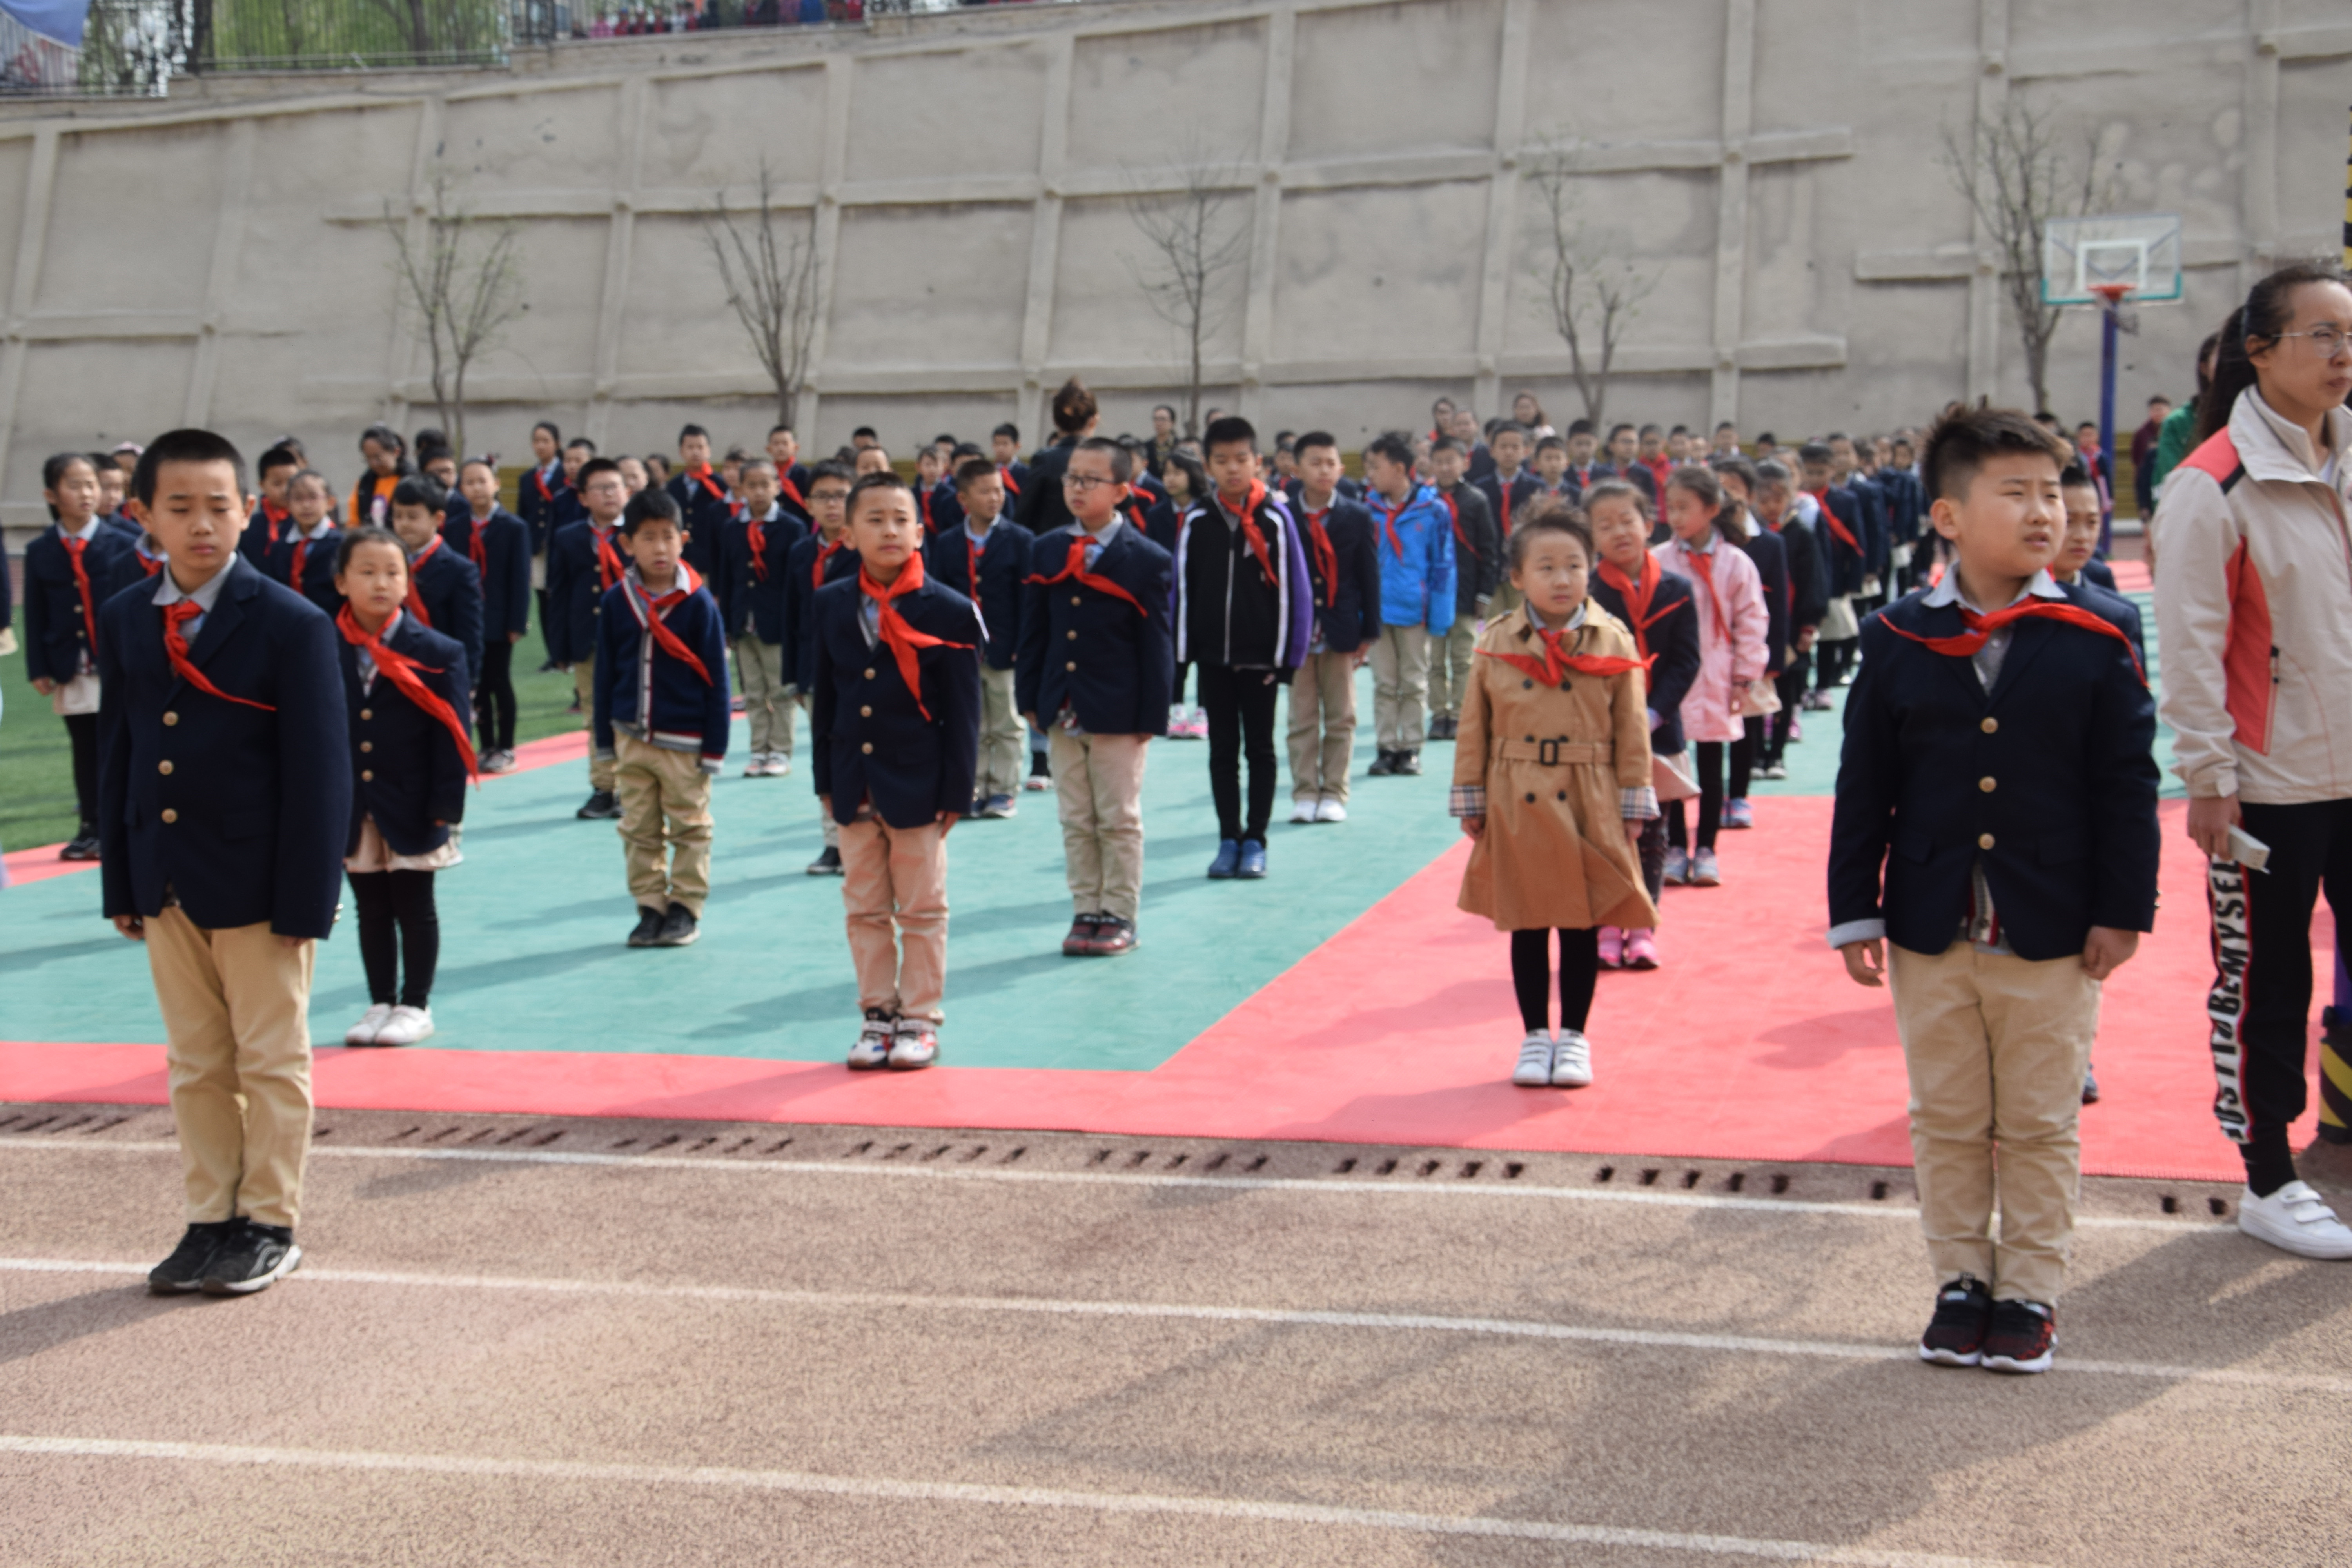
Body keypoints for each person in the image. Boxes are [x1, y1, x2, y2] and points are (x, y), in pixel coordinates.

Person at [1831, 405, 2158, 1374]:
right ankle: (1961, 1279)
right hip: (1931, 924)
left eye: (2051, 491)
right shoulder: (1896, 638)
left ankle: (2029, 1291)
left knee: (2039, 1120)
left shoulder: (2100, 631)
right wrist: (1856, 905)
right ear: (1947, 515)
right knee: (1946, 1114)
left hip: (2053, 924)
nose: (2042, 511)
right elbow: (1865, 785)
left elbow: (2125, 782)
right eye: (2012, 492)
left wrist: (2122, 909)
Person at [98, 428, 351, 1298]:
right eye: (180, 508)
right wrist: (121, 878)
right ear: (144, 517)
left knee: (271, 1057)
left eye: (219, 505)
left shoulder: (292, 621)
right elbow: (123, 749)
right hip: (166, 876)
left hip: (258, 883)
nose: (202, 524)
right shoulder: (131, 614)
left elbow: (322, 775)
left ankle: (270, 1220)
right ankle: (211, 1217)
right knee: (196, 1060)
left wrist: (308, 902)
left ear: (251, 510)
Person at [2154, 262, 2352, 1258]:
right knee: (2263, 980)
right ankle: (2270, 1176)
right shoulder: (2211, 483)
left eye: (2349, 334)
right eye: (2319, 333)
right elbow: (2189, 646)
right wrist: (2209, 778)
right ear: (2260, 351)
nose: (2341, 353)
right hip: (2269, 784)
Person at [1454, 501, 1658, 1090]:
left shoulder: (1613, 639)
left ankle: (1574, 1037)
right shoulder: (1496, 642)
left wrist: (1635, 800)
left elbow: (1632, 730)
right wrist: (1471, 797)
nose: (1562, 578)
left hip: (1589, 793)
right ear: (1517, 577)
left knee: (1580, 924)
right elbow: (1475, 726)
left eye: (1574, 564)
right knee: (1526, 922)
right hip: (1516, 793)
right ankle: (1533, 1036)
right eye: (1546, 567)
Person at [810, 471, 983, 1070]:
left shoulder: (950, 609)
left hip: (920, 783)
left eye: (901, 519)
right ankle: (877, 1014)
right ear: (849, 532)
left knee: (922, 907)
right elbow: (826, 701)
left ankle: (919, 1016)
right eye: (874, 519)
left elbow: (965, 713)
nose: (889, 530)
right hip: (853, 783)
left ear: (918, 531)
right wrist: (825, 784)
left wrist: (958, 790)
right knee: (863, 906)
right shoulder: (830, 602)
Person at [1016, 435, 1174, 957]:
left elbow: (1157, 644)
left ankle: (1120, 912)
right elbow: (1034, 632)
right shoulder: (1046, 549)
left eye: (1091, 479)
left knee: (1118, 817)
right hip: (1062, 706)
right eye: (1071, 478)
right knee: (1076, 816)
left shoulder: (1146, 559)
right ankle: (1086, 908)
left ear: (1123, 491)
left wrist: (1152, 715)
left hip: (1120, 710)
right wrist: (1031, 700)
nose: (1077, 488)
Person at [331, 526, 474, 1049]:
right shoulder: (324, 646)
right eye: (366, 572)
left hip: (415, 802)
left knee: (415, 904)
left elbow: (453, 734)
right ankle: (380, 1001)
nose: (380, 583)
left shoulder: (438, 650)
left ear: (408, 580)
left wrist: (444, 807)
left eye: (392, 572)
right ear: (342, 581)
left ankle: (416, 1003)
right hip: (354, 805)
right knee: (370, 907)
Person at [593, 486, 730, 949]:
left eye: (667, 537)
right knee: (638, 826)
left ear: (683, 539)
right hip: (632, 735)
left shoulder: (698, 603)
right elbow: (605, 673)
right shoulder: (617, 601)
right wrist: (604, 742)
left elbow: (717, 679)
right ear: (627, 543)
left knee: (691, 826)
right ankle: (649, 905)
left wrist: (715, 748)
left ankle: (685, 906)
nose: (659, 547)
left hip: (686, 741)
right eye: (647, 538)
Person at [1176, 416, 1312, 880]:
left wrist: (1287, 662)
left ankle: (1256, 839)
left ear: (1258, 462)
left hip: (1262, 661)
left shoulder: (1276, 519)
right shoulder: (1197, 522)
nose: (1232, 469)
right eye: (1222, 461)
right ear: (1208, 464)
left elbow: (1296, 594)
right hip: (1215, 660)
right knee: (1221, 752)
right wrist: (1183, 660)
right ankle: (1227, 838)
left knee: (1260, 750)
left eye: (1241, 460)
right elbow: (1183, 593)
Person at [1584, 479, 1699, 973]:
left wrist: (1652, 713)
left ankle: (1644, 925)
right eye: (1604, 525)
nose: (1618, 531)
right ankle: (1609, 924)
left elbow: (1686, 661)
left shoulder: (1677, 590)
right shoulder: (1587, 592)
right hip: (1602, 734)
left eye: (1626, 520)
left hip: (1660, 729)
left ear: (1650, 525)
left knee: (1654, 830)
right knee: (1607, 830)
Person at [1654, 466, 1768, 888]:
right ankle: (1676, 846)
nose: (1676, 516)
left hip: (1718, 673)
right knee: (1675, 763)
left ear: (1712, 510)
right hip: (1673, 678)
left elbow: (1752, 620)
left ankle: (1707, 849)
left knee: (1711, 762)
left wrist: (1746, 674)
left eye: (1685, 507)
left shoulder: (1736, 563)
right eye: (1672, 507)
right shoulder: (1660, 559)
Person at [24, 452, 136, 860]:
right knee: (84, 747)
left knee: (120, 743)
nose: (87, 493)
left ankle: (123, 820)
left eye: (92, 484)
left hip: (115, 664)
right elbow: (35, 612)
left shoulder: (122, 543)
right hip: (72, 665)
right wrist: (38, 665)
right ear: (52, 494)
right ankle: (91, 824)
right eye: (75, 485)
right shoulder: (41, 550)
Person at [927, 456, 1033, 817]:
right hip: (961, 648)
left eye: (999, 490)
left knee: (1005, 720)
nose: (995, 498)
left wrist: (1022, 644)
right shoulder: (946, 543)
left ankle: (1003, 790)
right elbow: (938, 597)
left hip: (1005, 647)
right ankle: (972, 787)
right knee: (969, 721)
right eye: (985, 491)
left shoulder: (1020, 540)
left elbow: (1027, 599)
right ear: (963, 499)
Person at [1286, 432, 1381, 824]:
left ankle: (1335, 792)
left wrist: (1369, 631)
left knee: (1341, 715)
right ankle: (1305, 792)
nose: (1324, 470)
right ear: (1297, 469)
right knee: (1302, 717)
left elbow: (1369, 575)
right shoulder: (1284, 516)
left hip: (1341, 629)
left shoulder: (1356, 515)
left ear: (1342, 468)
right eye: (1315, 462)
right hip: (1298, 633)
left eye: (1331, 463)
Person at [1361, 432, 1455, 778]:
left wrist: (1440, 615)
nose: (1370, 473)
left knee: (1415, 681)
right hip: (1377, 609)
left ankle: (1411, 747)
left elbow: (1444, 565)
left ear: (1400, 468)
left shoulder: (1433, 510)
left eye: (1376, 466)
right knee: (1384, 682)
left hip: (1415, 609)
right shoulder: (1367, 509)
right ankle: (1387, 747)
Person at [548, 457, 632, 820]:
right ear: (583, 498)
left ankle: (632, 787)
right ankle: (604, 787)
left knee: (631, 713)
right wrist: (560, 648)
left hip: (633, 639)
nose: (610, 494)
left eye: (616, 486)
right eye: (600, 488)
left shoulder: (640, 533)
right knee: (595, 715)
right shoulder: (569, 538)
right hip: (589, 640)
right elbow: (559, 596)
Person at [785, 463, 859, 873]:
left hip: (858, 671)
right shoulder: (801, 551)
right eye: (823, 496)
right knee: (825, 756)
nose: (833, 505)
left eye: (841, 495)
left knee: (861, 753)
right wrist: (794, 675)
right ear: (808, 504)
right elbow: (793, 615)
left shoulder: (864, 547)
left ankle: (861, 837)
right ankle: (833, 841)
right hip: (817, 672)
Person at [1712, 456, 1788, 832]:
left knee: (1747, 725)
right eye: (1717, 487)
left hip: (1748, 648)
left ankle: (1738, 795)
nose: (1724, 495)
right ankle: (1711, 794)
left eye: (1732, 488)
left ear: (1748, 494)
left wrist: (1772, 655)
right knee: (1707, 728)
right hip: (1710, 650)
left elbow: (1776, 604)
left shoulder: (1770, 543)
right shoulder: (1704, 541)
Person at [444, 457, 532, 773]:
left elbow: (519, 579)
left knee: (499, 681)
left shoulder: (513, 528)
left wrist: (516, 622)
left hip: (498, 619)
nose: (477, 488)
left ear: (495, 485)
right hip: (467, 620)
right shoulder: (455, 528)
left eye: (483, 481)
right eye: (469, 482)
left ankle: (506, 746)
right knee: (476, 685)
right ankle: (485, 746)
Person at [724, 456, 808, 779]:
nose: (759, 492)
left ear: (777, 486)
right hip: (743, 622)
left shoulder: (791, 527)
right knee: (754, 693)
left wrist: (794, 623)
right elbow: (725, 578)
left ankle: (781, 751)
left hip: (776, 624)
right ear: (742, 488)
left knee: (780, 689)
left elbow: (795, 581)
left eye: (765, 484)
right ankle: (758, 750)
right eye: (752, 485)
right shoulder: (733, 528)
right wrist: (728, 624)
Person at [387, 477, 484, 714]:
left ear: (438, 519)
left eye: (413, 516)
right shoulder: (387, 565)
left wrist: (467, 680)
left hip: (439, 669)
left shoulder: (459, 569)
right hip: (392, 667)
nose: (404, 524)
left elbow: (468, 631)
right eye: (398, 516)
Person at [1425, 436, 1500, 741]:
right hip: (1433, 595)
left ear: (1465, 463)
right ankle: (1438, 713)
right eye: (1439, 461)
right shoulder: (1425, 501)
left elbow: (1489, 550)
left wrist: (1485, 593)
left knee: (1463, 659)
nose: (1445, 467)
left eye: (1451, 460)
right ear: (1431, 464)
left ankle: (1459, 713)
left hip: (1467, 593)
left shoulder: (1477, 500)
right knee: (1434, 660)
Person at [1753, 459, 1824, 779]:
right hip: (1757, 628)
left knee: (1786, 693)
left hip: (1791, 627)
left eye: (1778, 499)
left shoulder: (1802, 534)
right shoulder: (1751, 536)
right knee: (1754, 693)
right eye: (1764, 499)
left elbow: (1813, 582)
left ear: (1792, 496)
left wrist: (1808, 626)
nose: (1771, 506)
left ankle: (1776, 755)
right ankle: (1756, 755)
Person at [1143, 448, 1211, 740]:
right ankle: (1176, 706)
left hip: (1203, 592)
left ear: (1193, 475)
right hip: (1170, 594)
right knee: (1173, 650)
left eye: (1177, 472)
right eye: (1166, 473)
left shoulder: (1208, 511)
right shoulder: (1157, 514)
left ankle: (1204, 711)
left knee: (1205, 648)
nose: (1169, 479)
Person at [1799, 441, 1869, 698]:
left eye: (1820, 472)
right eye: (1809, 472)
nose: (1814, 478)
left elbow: (1858, 543)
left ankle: (1823, 685)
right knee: (1804, 634)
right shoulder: (1798, 503)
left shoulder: (1846, 500)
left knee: (1830, 635)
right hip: (1803, 577)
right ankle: (1803, 687)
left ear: (1832, 470)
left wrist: (1855, 581)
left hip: (1835, 577)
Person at [1017, 377, 1096, 539]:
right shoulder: (1105, 459)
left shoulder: (1045, 460)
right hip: (1098, 551)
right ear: (1093, 421)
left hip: (1052, 551)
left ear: (1055, 421)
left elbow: (1024, 514)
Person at [269, 469, 343, 614]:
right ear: (288, 505)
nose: (306, 505)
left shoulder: (342, 545)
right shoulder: (279, 548)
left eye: (313, 497)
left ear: (330, 502)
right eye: (298, 499)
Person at [240, 446, 299, 567]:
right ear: (262, 485)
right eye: (277, 484)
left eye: (291, 482)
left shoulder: (306, 522)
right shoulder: (250, 525)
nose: (285, 490)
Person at [350, 424, 410, 527]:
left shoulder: (411, 481)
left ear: (396, 452)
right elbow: (354, 523)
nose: (374, 464)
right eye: (368, 459)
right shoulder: (364, 484)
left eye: (378, 457)